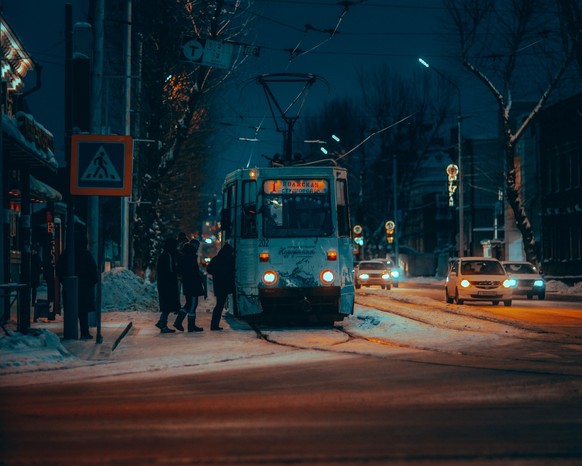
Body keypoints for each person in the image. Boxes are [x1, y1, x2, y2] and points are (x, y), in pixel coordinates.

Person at [56, 234, 98, 339]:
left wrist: (65, 282)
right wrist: (93, 281)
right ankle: (84, 332)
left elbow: (58, 268)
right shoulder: (86, 255)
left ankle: (70, 333)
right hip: (84, 289)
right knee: (83, 312)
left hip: (70, 289)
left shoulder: (67, 254)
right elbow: (93, 270)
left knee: (70, 311)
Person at [173, 239, 206, 332]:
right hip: (192, 284)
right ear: (194, 246)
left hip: (188, 283)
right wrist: (199, 279)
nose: (197, 248)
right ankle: (190, 326)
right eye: (197, 246)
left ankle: (178, 322)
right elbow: (193, 272)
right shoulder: (190, 256)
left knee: (188, 304)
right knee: (192, 304)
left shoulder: (185, 254)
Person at [206, 242, 235, 331]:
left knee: (219, 305)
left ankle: (214, 324)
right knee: (219, 305)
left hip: (218, 285)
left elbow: (209, 270)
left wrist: (217, 273)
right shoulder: (229, 259)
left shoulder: (216, 259)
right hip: (226, 285)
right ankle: (214, 325)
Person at [155, 237, 181, 333]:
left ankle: (162, 322)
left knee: (167, 304)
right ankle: (163, 324)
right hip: (167, 284)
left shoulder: (165, 254)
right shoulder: (167, 256)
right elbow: (170, 271)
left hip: (164, 283)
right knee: (167, 305)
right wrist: (174, 279)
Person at [30, 243, 43, 308]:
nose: (32, 251)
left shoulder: (34, 257)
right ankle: (32, 301)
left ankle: (32, 301)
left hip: (34, 275)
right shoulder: (37, 257)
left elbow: (39, 267)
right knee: (33, 289)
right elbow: (40, 267)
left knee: (33, 289)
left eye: (32, 250)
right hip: (34, 275)